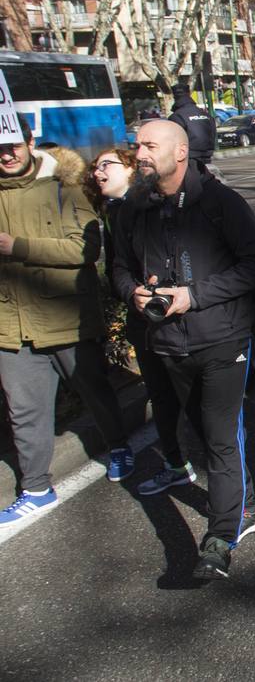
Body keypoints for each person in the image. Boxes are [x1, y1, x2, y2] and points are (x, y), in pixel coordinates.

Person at [111, 120, 255, 580]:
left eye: (150, 145)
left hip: (223, 340)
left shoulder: (220, 203)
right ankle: (247, 502)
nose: (139, 152)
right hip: (166, 343)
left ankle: (221, 537)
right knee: (205, 436)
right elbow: (119, 268)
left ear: (180, 152)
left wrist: (195, 295)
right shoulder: (133, 208)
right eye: (137, 144)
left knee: (222, 436)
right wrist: (133, 294)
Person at [0, 123, 133, 530]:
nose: (5, 156)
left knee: (94, 391)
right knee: (24, 411)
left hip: (67, 319)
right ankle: (37, 489)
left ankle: (119, 447)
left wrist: (18, 248)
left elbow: (85, 249)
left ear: (29, 143)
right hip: (9, 322)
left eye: (11, 146)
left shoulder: (65, 186)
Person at [87, 148, 198, 497]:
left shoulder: (163, 203)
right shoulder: (113, 213)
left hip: (186, 323)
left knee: (199, 402)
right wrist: (132, 292)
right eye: (95, 167)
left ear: (131, 169)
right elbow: (116, 269)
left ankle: (236, 483)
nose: (98, 172)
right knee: (161, 396)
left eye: (107, 164)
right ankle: (175, 464)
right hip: (144, 323)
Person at [168, 82, 215, 168]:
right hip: (208, 157)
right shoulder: (205, 114)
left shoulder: (176, 117)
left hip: (188, 160)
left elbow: (174, 141)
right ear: (189, 94)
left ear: (174, 97)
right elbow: (213, 132)